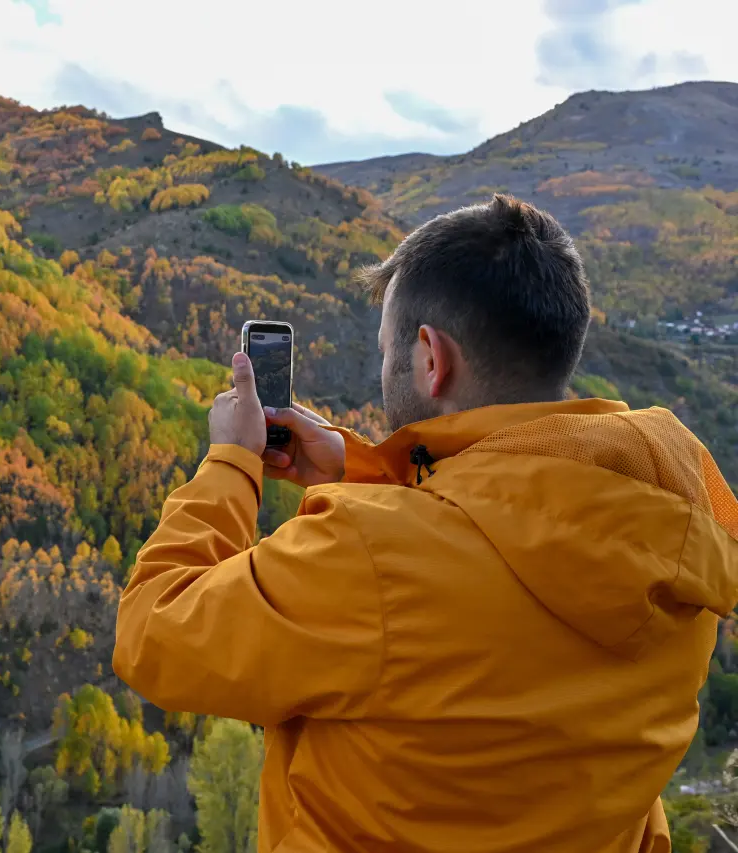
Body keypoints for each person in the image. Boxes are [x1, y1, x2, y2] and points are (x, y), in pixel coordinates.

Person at [112, 194, 738, 853]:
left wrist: (231, 461)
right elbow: (501, 528)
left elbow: (153, 629)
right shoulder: (672, 520)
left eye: (388, 351)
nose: (384, 368)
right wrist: (364, 466)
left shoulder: (362, 555)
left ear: (431, 359)